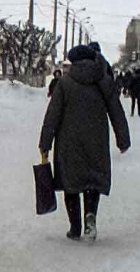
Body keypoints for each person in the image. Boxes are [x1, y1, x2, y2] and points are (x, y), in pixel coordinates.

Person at [39, 44, 130, 243]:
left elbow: (52, 116)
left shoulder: (65, 83)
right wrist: (123, 139)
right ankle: (90, 217)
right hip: (96, 140)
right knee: (92, 181)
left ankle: (75, 227)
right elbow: (116, 111)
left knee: (71, 184)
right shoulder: (104, 81)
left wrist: (45, 143)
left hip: (69, 141)